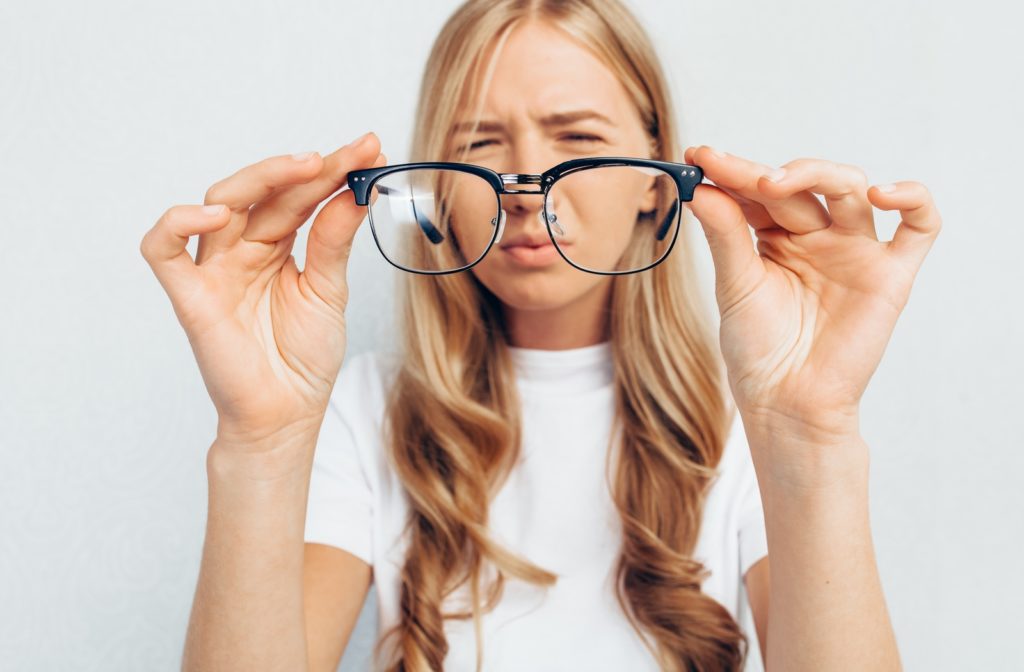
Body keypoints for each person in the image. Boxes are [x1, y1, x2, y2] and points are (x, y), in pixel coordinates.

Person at [139, 0, 941, 670]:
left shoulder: (749, 419)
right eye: (480, 144)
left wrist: (810, 432)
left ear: (656, 185)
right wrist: (258, 441)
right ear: (434, 197)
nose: (525, 191)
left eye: (578, 139)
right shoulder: (364, 411)